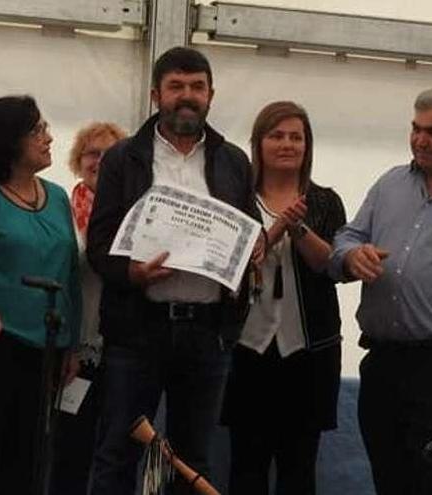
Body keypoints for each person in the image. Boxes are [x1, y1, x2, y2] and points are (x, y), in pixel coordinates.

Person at [86, 46, 262, 495]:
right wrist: (132, 274)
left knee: (192, 461)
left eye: (197, 87)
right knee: (118, 452)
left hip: (207, 333)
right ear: (155, 95)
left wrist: (252, 247)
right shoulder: (123, 158)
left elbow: (248, 232)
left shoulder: (234, 161)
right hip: (137, 330)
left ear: (211, 95)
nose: (188, 96)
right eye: (176, 87)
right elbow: (100, 245)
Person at [329, 88, 432, 495]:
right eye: (415, 128)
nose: (419, 140)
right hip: (383, 362)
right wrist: (350, 256)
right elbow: (347, 237)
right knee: (389, 480)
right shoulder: (390, 183)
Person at [0, 95, 82, 495]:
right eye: (37, 130)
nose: (48, 138)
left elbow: (71, 272)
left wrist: (72, 342)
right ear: (11, 140)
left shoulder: (59, 196)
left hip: (48, 347)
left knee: (29, 459)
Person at [221, 101, 346, 494]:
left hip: (309, 352)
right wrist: (274, 229)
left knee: (299, 467)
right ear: (258, 143)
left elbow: (333, 267)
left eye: (297, 137)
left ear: (308, 146)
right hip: (247, 348)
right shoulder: (235, 198)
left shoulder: (325, 201)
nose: (287, 144)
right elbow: (231, 264)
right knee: (247, 465)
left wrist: (298, 228)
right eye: (276, 135)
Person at [51, 121, 126, 495]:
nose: (101, 160)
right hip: (75, 353)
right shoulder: (58, 211)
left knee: (116, 454)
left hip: (125, 351)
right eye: (92, 153)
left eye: (111, 154)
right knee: (70, 451)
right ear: (78, 161)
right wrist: (69, 347)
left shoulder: (134, 215)